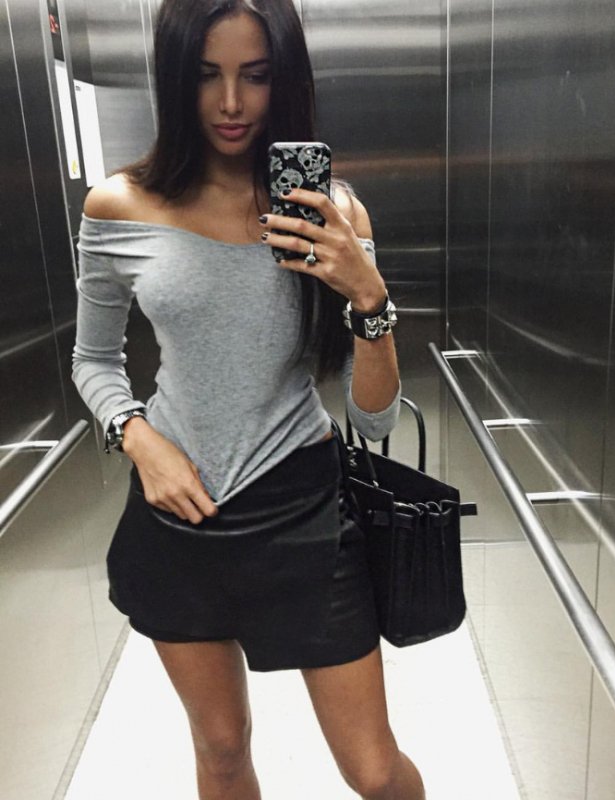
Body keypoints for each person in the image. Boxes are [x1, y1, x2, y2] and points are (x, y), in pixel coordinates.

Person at [72, 1, 425, 798]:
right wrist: (139, 439)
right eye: (207, 75)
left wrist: (367, 296)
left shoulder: (332, 212)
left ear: (285, 78)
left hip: (304, 507)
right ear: (174, 77)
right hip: (178, 512)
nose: (231, 103)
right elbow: (93, 360)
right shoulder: (117, 205)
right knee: (222, 748)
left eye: (255, 76)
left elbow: (372, 420)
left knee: (373, 772)